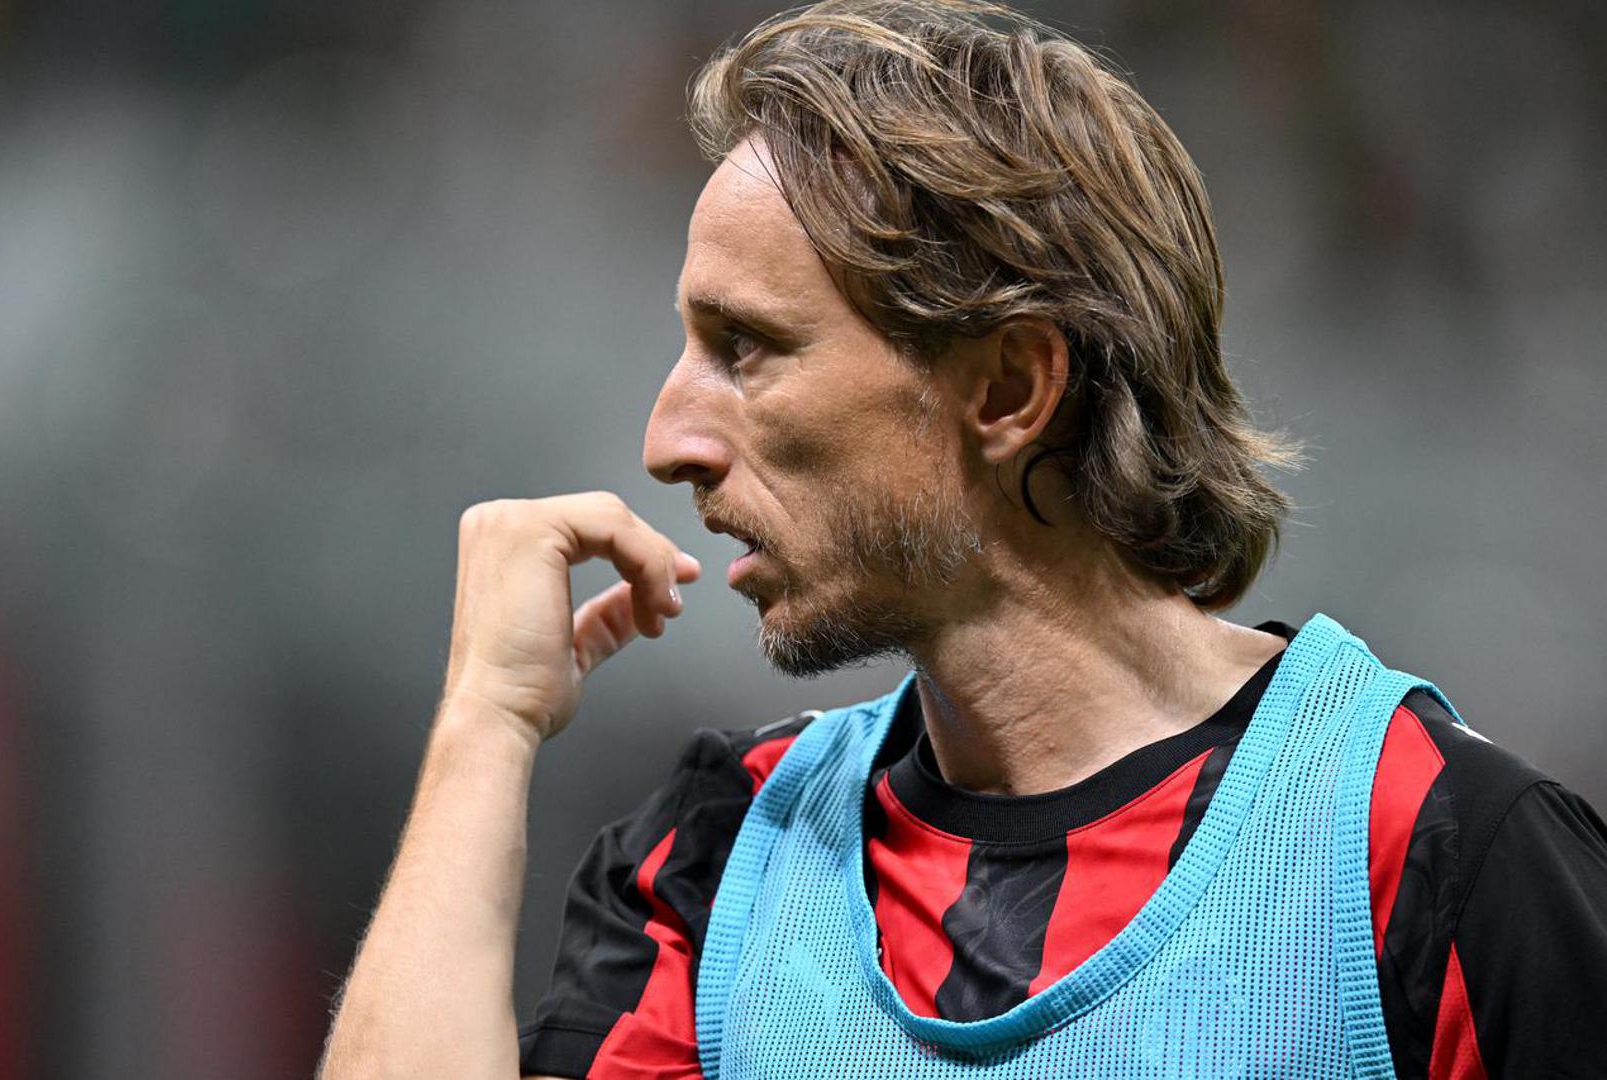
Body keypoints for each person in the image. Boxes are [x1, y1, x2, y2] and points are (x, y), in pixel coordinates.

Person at [319, 2, 1607, 1077]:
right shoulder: (711, 867)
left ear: (1006, 389)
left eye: (746, 348)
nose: (668, 440)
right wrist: (484, 721)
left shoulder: (1434, 853)